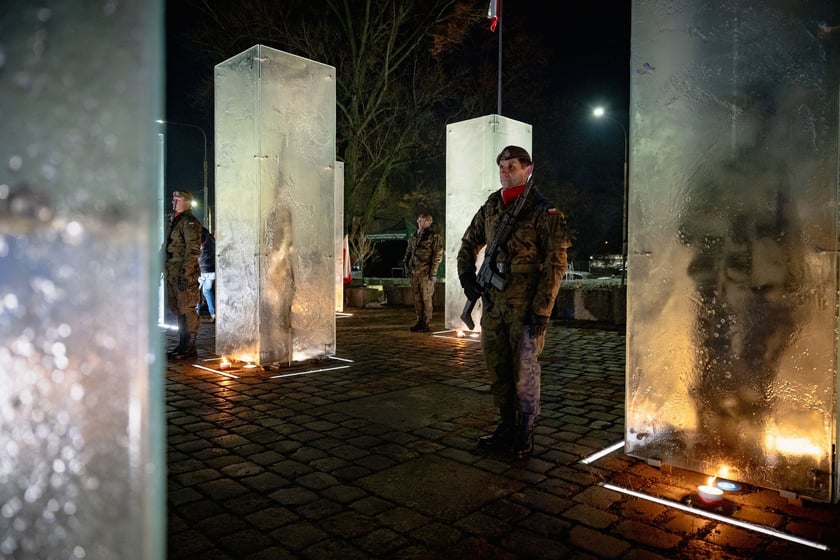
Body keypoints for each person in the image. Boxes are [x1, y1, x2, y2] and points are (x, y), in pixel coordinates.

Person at [457, 146, 570, 459]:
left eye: (512, 167)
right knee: (499, 369)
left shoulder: (544, 210)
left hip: (525, 302)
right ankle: (505, 425)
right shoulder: (493, 205)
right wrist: (467, 277)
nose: (505, 172)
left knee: (524, 370)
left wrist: (543, 309)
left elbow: (555, 263)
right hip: (493, 303)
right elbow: (469, 243)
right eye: (502, 167)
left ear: (528, 169)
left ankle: (523, 431)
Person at [163, 190, 202, 359]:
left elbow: (193, 250)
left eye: (177, 200)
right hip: (172, 270)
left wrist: (185, 272)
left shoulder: (189, 222)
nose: (173, 202)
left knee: (186, 308)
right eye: (173, 199)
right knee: (177, 308)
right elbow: (167, 246)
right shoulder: (175, 220)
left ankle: (189, 346)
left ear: (186, 202)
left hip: (183, 272)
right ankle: (182, 343)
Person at [403, 212, 444, 332]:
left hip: (426, 272)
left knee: (426, 298)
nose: (419, 222)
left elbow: (437, 254)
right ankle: (419, 320)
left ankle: (426, 322)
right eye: (419, 220)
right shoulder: (414, 235)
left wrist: (433, 272)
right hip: (414, 272)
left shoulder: (433, 236)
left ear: (428, 222)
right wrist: (406, 265)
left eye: (421, 220)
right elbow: (409, 251)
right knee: (417, 298)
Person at [196, 226, 216, 322]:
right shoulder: (211, 239)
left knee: (195, 290)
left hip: (204, 270)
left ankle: (195, 314)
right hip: (212, 270)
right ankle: (213, 313)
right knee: (206, 291)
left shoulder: (201, 241)